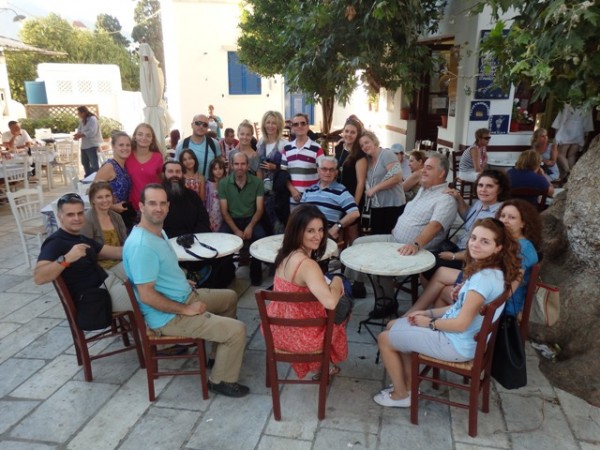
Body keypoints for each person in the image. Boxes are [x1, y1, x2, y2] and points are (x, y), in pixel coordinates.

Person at [373, 218, 521, 407]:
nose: (475, 244)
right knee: (394, 325)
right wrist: (428, 313)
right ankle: (409, 387)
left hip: (456, 344)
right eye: (474, 238)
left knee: (384, 338)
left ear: (498, 248)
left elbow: (460, 324)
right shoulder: (494, 271)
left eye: (485, 241)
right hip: (463, 339)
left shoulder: (482, 280)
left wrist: (429, 323)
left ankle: (400, 394)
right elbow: (459, 308)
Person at [123, 184, 249, 398]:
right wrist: (186, 310)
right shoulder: (141, 246)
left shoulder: (158, 232)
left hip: (183, 295)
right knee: (237, 330)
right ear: (141, 206)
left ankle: (218, 357)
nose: (158, 208)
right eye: (152, 203)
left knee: (229, 297)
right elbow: (147, 295)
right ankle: (221, 381)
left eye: (162, 203)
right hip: (169, 317)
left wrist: (181, 281)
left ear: (168, 206)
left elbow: (164, 270)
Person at [406, 199, 540, 323]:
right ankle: (429, 322)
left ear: (523, 223)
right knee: (442, 276)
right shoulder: (509, 240)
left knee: (444, 288)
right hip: (489, 289)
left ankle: (425, 321)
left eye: (512, 217)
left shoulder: (523, 249)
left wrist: (472, 293)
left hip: (501, 305)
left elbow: (509, 291)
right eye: (503, 216)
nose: (505, 220)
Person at [346, 153, 457, 299]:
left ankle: (386, 302)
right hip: (396, 240)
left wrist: (416, 244)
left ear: (441, 173)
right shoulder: (425, 189)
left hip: (415, 249)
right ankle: (357, 284)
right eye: (423, 167)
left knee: (378, 261)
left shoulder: (445, 198)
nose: (423, 171)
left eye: (429, 168)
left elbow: (435, 226)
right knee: (358, 244)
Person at [267, 204, 347, 380]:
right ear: (298, 231)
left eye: (321, 230)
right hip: (302, 339)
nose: (318, 236)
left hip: (277, 331)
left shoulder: (284, 254)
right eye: (310, 231)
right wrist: (338, 280)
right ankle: (322, 366)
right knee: (344, 303)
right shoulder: (307, 265)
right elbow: (330, 302)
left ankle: (322, 365)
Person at [33, 192, 130, 312]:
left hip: (108, 278)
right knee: (147, 295)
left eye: (80, 213)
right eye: (70, 214)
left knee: (140, 265)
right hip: (98, 296)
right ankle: (143, 320)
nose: (77, 218)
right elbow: (39, 277)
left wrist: (141, 248)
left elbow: (115, 252)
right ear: (60, 216)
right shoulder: (55, 242)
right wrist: (67, 259)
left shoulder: (80, 238)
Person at [161, 161, 235, 289]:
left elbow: (203, 219)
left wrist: (194, 237)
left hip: (197, 239)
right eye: (170, 172)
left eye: (178, 172)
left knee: (225, 257)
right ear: (164, 174)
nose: (175, 175)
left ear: (182, 174)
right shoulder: (159, 199)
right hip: (172, 245)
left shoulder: (192, 195)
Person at [423, 170, 510, 278]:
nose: (483, 190)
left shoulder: (500, 214)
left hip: (472, 258)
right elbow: (468, 217)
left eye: (489, 186)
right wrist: (458, 198)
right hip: (459, 248)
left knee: (428, 266)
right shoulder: (480, 203)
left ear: (500, 189)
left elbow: (484, 250)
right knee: (426, 260)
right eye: (480, 185)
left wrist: (454, 256)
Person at [219, 152, 266, 286]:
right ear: (231, 165)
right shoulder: (223, 183)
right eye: (236, 164)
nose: (239, 167)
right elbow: (224, 211)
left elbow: (260, 209)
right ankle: (227, 274)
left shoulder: (257, 182)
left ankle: (256, 275)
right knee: (222, 240)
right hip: (232, 220)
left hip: (251, 219)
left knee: (260, 238)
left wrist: (250, 226)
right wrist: (236, 230)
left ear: (247, 165)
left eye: (243, 164)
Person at [301, 156, 360, 242]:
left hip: (324, 235)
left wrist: (337, 226)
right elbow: (300, 213)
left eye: (331, 170)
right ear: (318, 170)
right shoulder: (309, 190)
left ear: (336, 172)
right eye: (324, 169)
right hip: (304, 232)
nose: (328, 172)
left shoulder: (341, 191)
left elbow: (355, 213)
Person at [81, 182, 129, 283]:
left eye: (107, 196)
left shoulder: (117, 217)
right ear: (92, 200)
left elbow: (125, 243)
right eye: (100, 197)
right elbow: (87, 252)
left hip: (121, 262)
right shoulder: (87, 220)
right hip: (102, 268)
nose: (105, 200)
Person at [360, 130, 405, 235]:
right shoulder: (368, 159)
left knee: (389, 238)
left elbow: (397, 177)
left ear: (374, 141)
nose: (364, 146)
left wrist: (376, 188)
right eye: (362, 145)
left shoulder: (387, 154)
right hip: (377, 207)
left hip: (392, 206)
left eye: (367, 142)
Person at [333, 117, 366, 245]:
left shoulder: (360, 155)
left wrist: (354, 205)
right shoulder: (339, 147)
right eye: (346, 131)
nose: (349, 135)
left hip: (352, 196)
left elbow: (361, 182)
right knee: (339, 231)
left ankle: (354, 256)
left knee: (352, 232)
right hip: (338, 195)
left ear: (357, 135)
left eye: (353, 132)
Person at [281, 113, 324, 209]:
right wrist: (292, 190)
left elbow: (322, 173)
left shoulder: (317, 148)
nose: (300, 126)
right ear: (292, 128)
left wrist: (314, 194)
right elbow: (283, 173)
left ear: (308, 126)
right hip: (292, 199)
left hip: (312, 200)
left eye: (303, 123)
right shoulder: (287, 148)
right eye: (296, 124)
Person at [94, 131, 134, 230]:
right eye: (121, 145)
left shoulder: (124, 166)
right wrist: (113, 207)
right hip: (109, 217)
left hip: (122, 216)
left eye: (128, 145)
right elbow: (92, 193)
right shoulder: (109, 167)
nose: (125, 148)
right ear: (113, 147)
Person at [257, 110, 288, 235]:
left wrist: (275, 166)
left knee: (278, 224)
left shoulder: (283, 144)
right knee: (264, 224)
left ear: (279, 125)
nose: (270, 126)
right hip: (262, 189)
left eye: (274, 123)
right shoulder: (260, 142)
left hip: (278, 191)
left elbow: (288, 168)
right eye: (268, 122)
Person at [125, 123, 164, 214]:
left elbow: (161, 179)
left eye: (148, 135)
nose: (144, 138)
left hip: (153, 206)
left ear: (152, 139)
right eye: (140, 134)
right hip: (132, 207)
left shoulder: (158, 157)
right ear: (135, 137)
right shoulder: (127, 156)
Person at [552, 104, 594, 178]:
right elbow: (587, 121)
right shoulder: (587, 105)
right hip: (579, 129)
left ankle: (568, 171)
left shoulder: (568, 104)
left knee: (560, 154)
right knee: (572, 155)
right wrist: (585, 134)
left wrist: (558, 132)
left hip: (568, 127)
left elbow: (563, 118)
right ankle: (572, 175)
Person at [74, 106, 103, 177]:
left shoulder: (92, 119)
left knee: (94, 164)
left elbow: (92, 132)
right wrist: (78, 135)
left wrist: (81, 135)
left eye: (79, 113)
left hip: (92, 145)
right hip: (84, 145)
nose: (78, 115)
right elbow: (80, 129)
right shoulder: (82, 120)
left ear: (83, 113)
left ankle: (96, 178)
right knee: (84, 163)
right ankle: (88, 176)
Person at [205, 158, 226, 232]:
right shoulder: (208, 184)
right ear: (211, 171)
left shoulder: (226, 183)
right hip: (212, 213)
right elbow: (205, 200)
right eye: (215, 169)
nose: (218, 171)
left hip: (223, 211)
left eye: (220, 168)